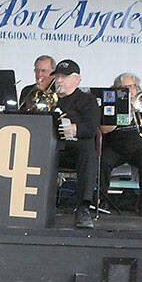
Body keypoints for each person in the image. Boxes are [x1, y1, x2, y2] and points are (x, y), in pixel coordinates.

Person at [50, 59, 102, 229]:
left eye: (64, 76)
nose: (59, 80)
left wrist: (74, 128)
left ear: (77, 79)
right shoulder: (48, 97)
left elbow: (91, 128)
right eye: (57, 76)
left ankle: (84, 207)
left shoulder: (87, 100)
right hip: (47, 146)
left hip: (72, 150)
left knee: (88, 151)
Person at [101, 72, 142, 214]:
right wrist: (122, 109)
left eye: (133, 86)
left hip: (138, 148)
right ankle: (103, 200)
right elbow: (104, 129)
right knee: (103, 162)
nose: (130, 90)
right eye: (125, 87)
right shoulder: (111, 102)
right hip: (115, 147)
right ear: (117, 89)